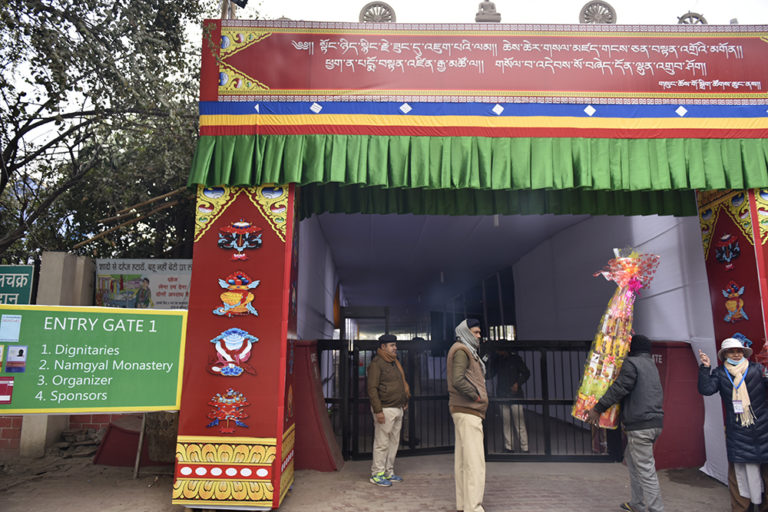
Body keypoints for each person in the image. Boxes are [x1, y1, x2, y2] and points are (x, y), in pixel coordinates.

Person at [587, 334, 664, 512]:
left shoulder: (631, 364)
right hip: (654, 423)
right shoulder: (651, 365)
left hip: (640, 425)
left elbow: (620, 388)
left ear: (632, 349)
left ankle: (656, 509)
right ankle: (637, 504)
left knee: (646, 470)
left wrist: (598, 408)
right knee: (632, 460)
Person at [698, 337, 768, 511]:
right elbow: (706, 389)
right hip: (737, 432)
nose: (736, 355)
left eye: (739, 351)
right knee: (738, 476)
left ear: (744, 353)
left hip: (763, 430)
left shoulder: (758, 370)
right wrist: (705, 368)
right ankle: (743, 508)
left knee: (766, 474)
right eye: (732, 351)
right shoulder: (720, 373)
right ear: (725, 355)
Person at [447, 319, 489, 512]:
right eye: (476, 332)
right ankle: (474, 507)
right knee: (474, 463)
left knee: (464, 462)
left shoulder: (463, 350)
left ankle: (464, 505)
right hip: (468, 410)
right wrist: (476, 395)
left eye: (480, 332)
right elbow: (457, 379)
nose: (479, 336)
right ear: (465, 332)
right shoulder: (463, 351)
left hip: (463, 411)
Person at [367, 333, 410, 487]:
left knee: (393, 442)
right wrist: (378, 411)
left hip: (397, 408)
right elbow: (372, 389)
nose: (395, 348)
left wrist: (404, 400)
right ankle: (377, 474)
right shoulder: (377, 364)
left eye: (395, 345)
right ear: (383, 347)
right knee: (382, 443)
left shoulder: (394, 363)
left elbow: (401, 382)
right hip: (384, 410)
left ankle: (388, 472)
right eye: (392, 346)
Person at [491, 350, 530, 452]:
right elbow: (490, 374)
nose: (498, 352)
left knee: (519, 423)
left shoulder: (516, 359)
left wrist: (518, 383)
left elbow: (526, 373)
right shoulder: (498, 360)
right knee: (506, 422)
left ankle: (524, 447)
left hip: (514, 395)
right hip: (503, 395)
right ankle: (509, 447)